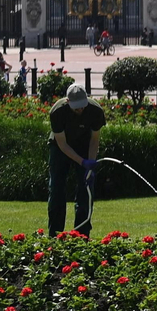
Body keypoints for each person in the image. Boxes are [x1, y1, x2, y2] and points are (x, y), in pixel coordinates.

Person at [49, 84, 104, 237]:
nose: (80, 110)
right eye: (76, 108)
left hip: (85, 147)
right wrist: (81, 162)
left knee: (85, 192)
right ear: (67, 102)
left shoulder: (95, 111)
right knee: (57, 190)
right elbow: (62, 144)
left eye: (82, 106)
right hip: (60, 149)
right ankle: (55, 235)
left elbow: (94, 141)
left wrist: (90, 165)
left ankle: (82, 235)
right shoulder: (57, 112)